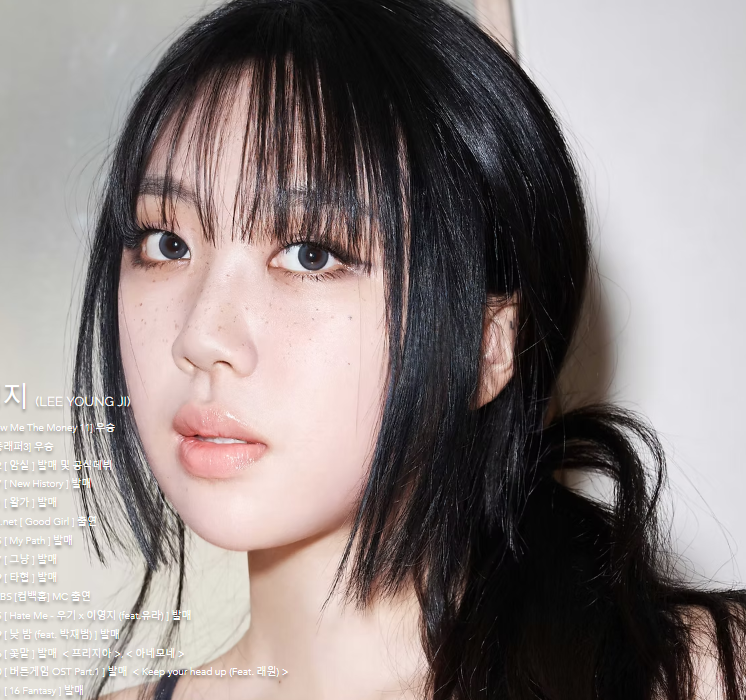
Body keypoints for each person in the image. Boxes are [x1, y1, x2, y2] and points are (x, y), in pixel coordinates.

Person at [71, 0, 746, 698]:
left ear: (488, 346)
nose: (201, 335)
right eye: (166, 243)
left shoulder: (699, 676)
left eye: (310, 253)